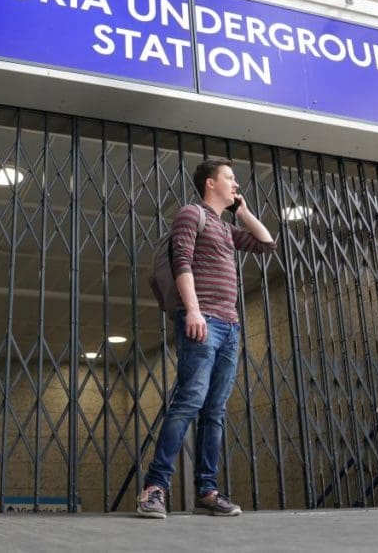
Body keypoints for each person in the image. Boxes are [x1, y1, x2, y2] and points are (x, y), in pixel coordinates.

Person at [137, 158, 276, 518]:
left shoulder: (226, 229)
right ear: (210, 183)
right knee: (188, 402)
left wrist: (242, 212)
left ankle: (207, 490)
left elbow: (266, 244)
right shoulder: (190, 214)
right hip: (203, 320)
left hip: (229, 327)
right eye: (230, 178)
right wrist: (194, 310)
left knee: (214, 411)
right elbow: (182, 260)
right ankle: (155, 488)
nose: (236, 185)